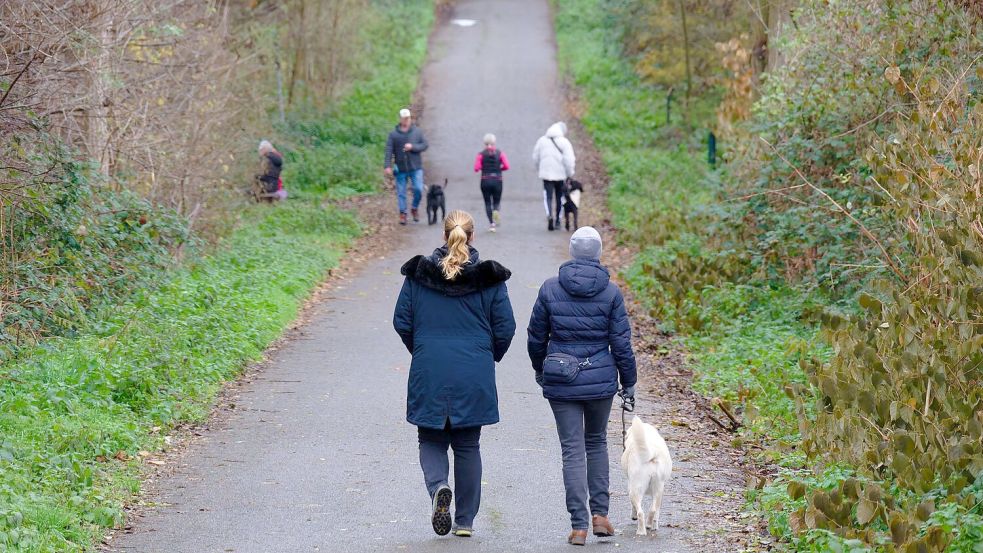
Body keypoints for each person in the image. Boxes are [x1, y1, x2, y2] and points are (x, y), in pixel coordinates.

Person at [393, 210, 516, 538]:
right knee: (467, 444)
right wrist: (488, 356)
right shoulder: (489, 279)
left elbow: (402, 321)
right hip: (473, 371)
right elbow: (505, 327)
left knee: (430, 437)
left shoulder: (419, 275)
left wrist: (421, 349)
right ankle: (464, 522)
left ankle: (438, 488)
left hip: (429, 367)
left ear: (443, 235)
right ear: (472, 236)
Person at [526, 226, 637, 546]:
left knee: (572, 450)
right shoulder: (611, 293)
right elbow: (621, 344)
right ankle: (600, 515)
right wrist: (628, 382)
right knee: (596, 443)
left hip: (561, 379)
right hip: (600, 380)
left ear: (572, 252)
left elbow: (536, 337)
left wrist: (540, 369)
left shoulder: (550, 289)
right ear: (598, 253)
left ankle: (578, 526)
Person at [384, 108, 429, 225]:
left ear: (410, 118)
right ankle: (403, 213)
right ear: (400, 119)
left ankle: (414, 207)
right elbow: (389, 150)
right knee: (401, 192)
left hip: (416, 167)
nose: (406, 120)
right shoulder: (393, 134)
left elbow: (424, 145)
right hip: (400, 168)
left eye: (408, 118)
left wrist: (413, 147)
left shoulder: (417, 132)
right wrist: (387, 165)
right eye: (404, 118)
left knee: (418, 189)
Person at [532, 122, 575, 231]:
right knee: (560, 197)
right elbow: (569, 160)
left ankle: (549, 215)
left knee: (548, 196)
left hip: (546, 174)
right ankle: (558, 220)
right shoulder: (565, 142)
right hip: (560, 175)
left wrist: (539, 169)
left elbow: (535, 157)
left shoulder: (542, 141)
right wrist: (570, 174)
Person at [473, 133, 510, 232]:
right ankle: (496, 210)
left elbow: (476, 168)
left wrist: (483, 167)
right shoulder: (500, 153)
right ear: (494, 142)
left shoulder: (481, 154)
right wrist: (499, 168)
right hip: (498, 180)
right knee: (496, 201)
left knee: (487, 202)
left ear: (484, 143)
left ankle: (492, 224)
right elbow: (507, 166)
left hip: (485, 180)